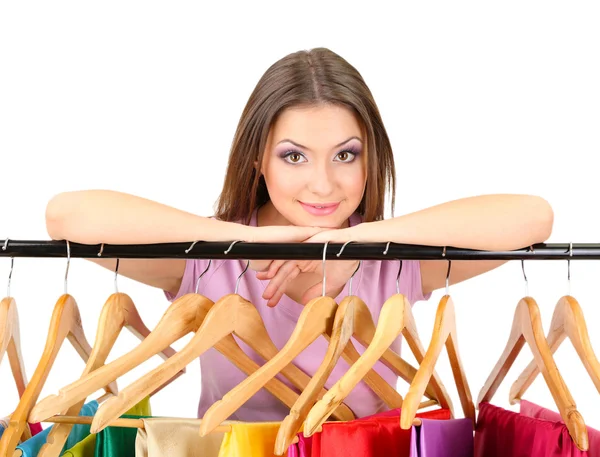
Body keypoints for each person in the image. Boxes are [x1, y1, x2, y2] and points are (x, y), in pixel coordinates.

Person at [44, 47, 554, 421]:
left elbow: (533, 218)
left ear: (371, 161)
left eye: (346, 155)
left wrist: (362, 244)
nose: (323, 183)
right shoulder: (207, 263)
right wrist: (235, 239)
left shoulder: (392, 263)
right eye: (293, 156)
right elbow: (66, 217)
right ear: (257, 160)